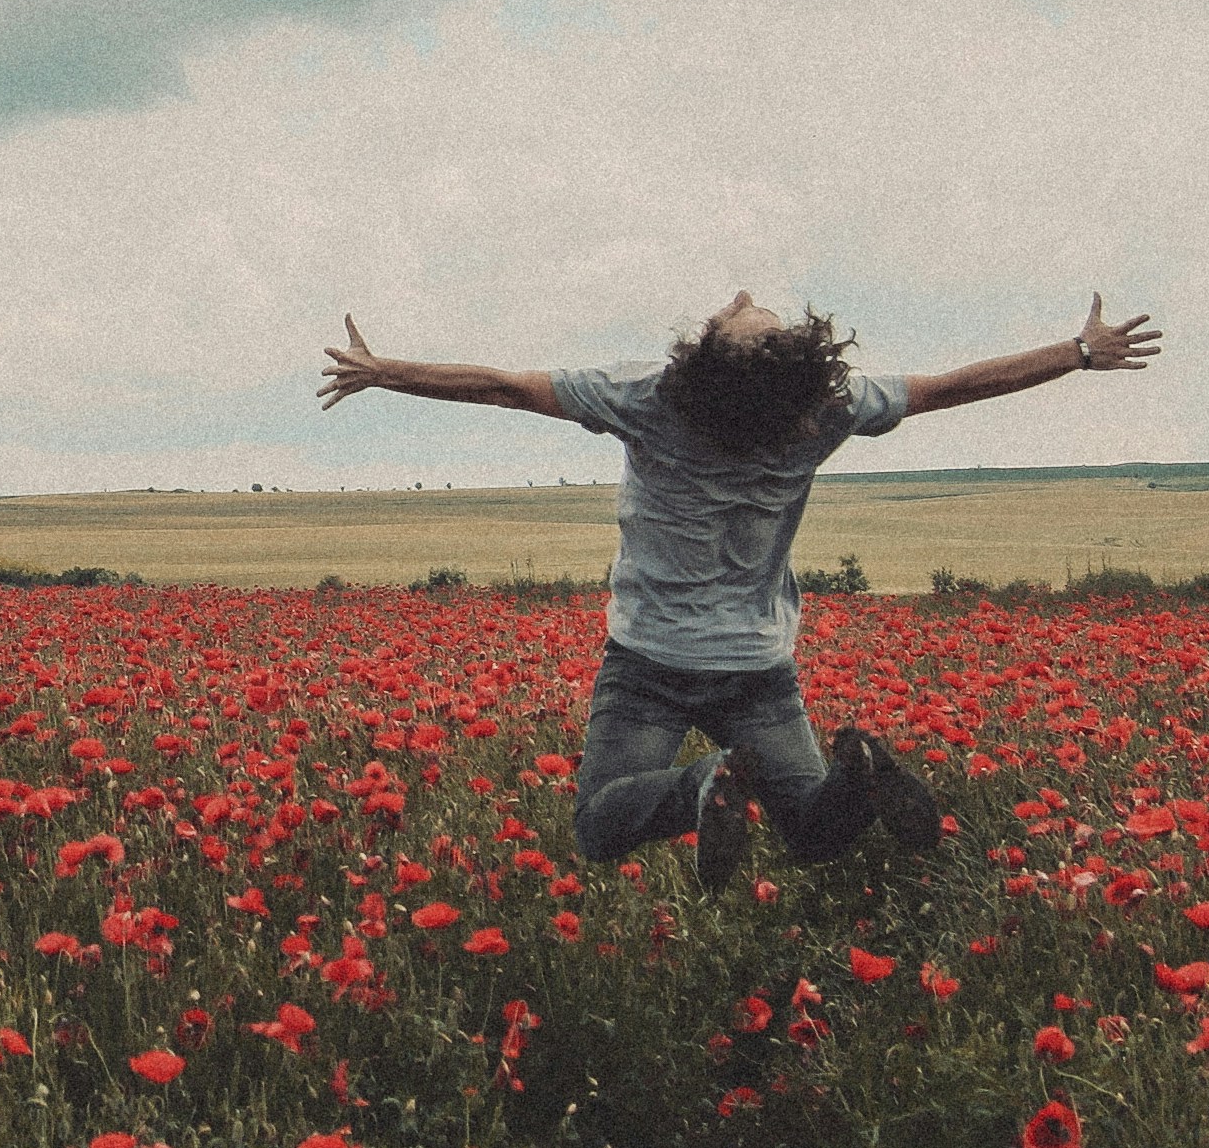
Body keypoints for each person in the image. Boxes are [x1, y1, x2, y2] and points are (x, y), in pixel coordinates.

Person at [316, 291, 1160, 879]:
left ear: (703, 356)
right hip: (758, 665)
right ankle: (855, 771)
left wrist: (385, 370)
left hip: (649, 661)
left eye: (738, 313)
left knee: (601, 825)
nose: (743, 294)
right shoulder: (826, 409)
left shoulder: (643, 397)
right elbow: (955, 387)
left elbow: (501, 387)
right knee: (817, 831)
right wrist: (1079, 353)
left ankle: (705, 784)